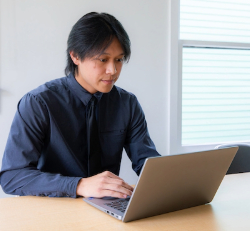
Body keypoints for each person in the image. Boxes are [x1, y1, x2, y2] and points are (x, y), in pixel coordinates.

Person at [0, 12, 160, 198]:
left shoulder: (127, 104)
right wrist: (79, 185)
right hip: (52, 210)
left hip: (106, 210)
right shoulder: (38, 103)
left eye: (119, 60)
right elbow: (12, 177)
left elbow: (147, 162)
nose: (113, 70)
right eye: (103, 59)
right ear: (75, 56)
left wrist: (173, 179)